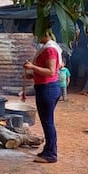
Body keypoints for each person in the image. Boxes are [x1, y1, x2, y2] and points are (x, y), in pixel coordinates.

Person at [24, 29, 62, 164]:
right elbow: (58, 66)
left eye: (36, 33)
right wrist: (33, 75)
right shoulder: (52, 47)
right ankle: (48, 150)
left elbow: (51, 71)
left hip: (47, 90)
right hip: (50, 88)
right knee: (48, 122)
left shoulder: (49, 50)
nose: (35, 36)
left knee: (48, 123)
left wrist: (33, 67)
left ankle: (51, 154)